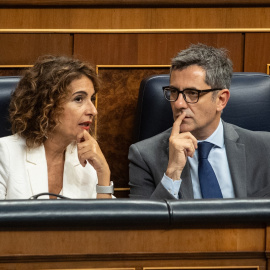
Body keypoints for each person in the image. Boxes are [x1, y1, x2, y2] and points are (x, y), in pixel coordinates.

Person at [129, 43, 270, 200]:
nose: (179, 104)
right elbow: (145, 223)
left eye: (192, 93)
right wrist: (173, 171)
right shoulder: (144, 156)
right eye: (174, 92)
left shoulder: (265, 148)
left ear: (221, 100)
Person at [0, 55, 114, 199]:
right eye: (79, 99)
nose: (93, 111)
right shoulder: (5, 154)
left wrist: (103, 174)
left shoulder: (88, 159)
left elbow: (104, 220)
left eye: (91, 99)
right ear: (47, 105)